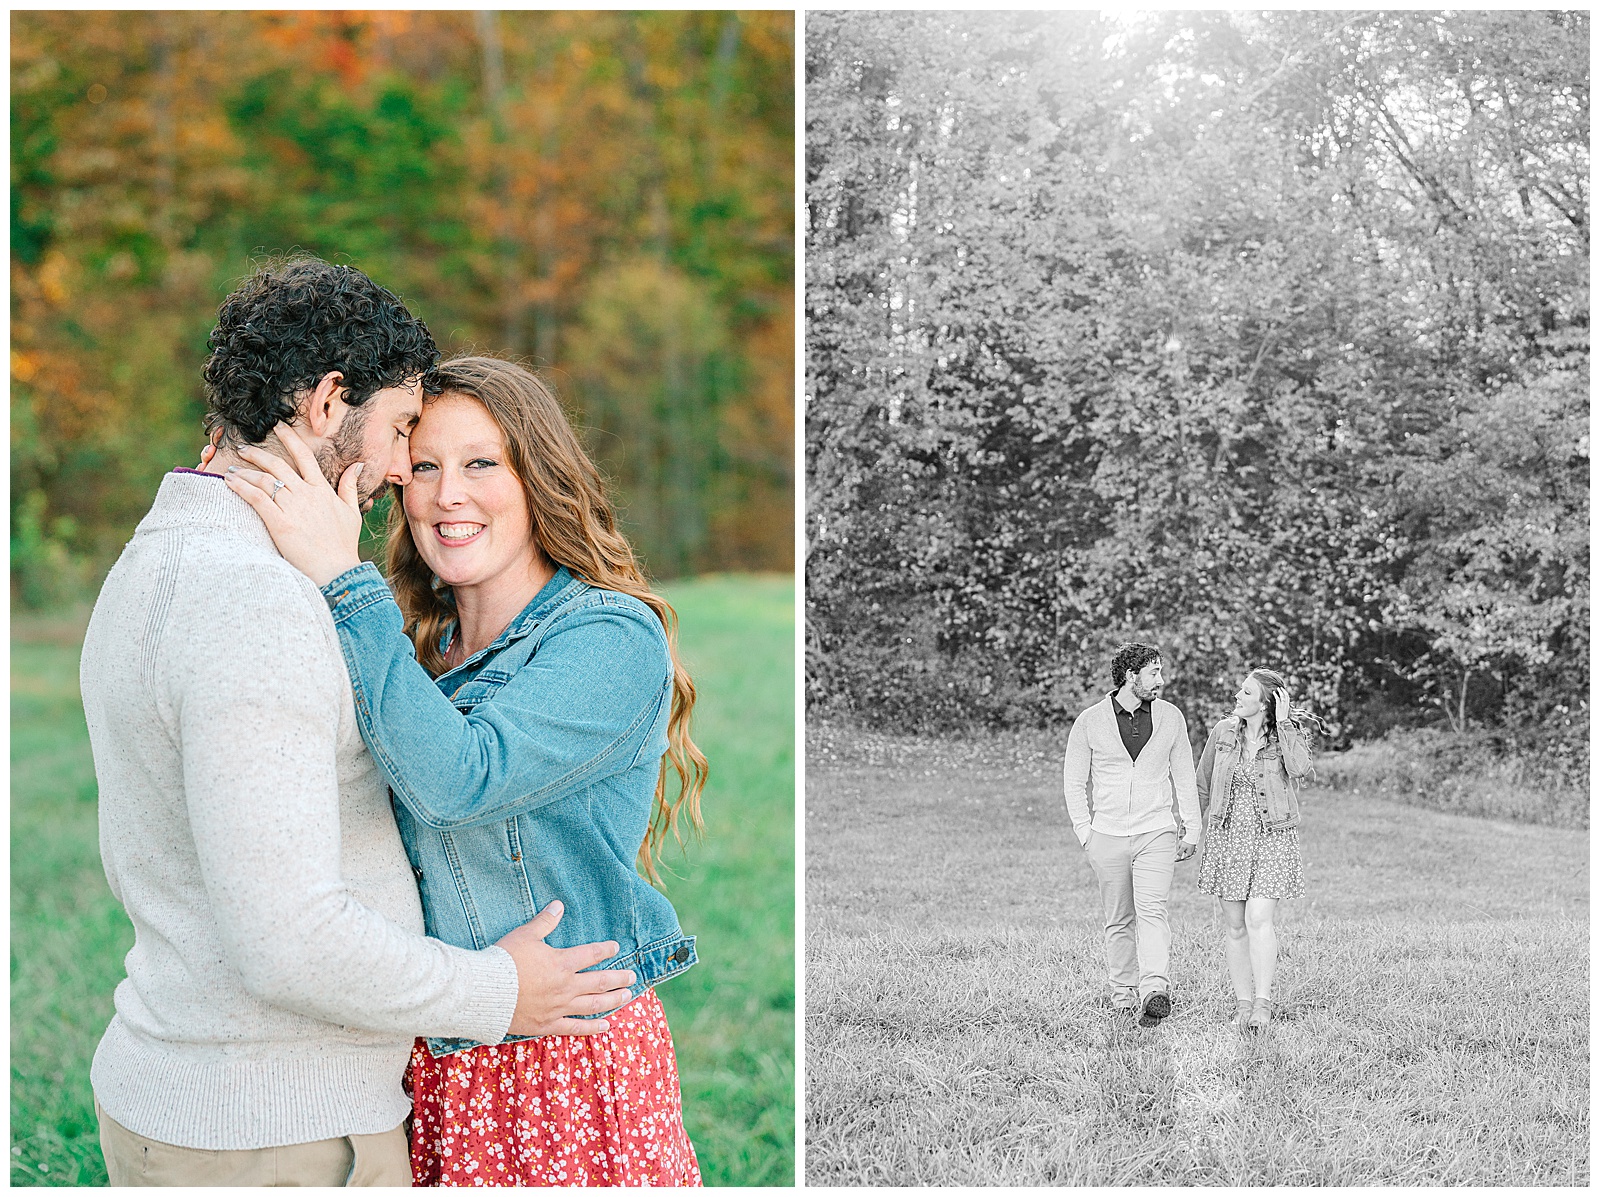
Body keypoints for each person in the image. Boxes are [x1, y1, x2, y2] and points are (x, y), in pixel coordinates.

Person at [80, 258, 635, 1188]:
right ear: (331, 402)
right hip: (275, 1128)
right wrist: (496, 992)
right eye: (401, 436)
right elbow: (287, 938)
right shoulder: (256, 603)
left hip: (206, 1096)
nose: (395, 475)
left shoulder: (157, 557)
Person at [224, 353, 707, 1186]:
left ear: (537, 478)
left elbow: (461, 780)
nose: (448, 495)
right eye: (424, 467)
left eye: (482, 463)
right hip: (436, 1050)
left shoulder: (610, 638)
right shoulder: (415, 648)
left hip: (558, 1060)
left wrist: (343, 577)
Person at [1062, 642, 1202, 1026]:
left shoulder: (1171, 717)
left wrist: (1192, 827)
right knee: (1119, 918)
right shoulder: (1090, 721)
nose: (1161, 680)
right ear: (1131, 676)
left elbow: (1184, 774)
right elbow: (1074, 782)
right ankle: (1123, 995)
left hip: (1156, 830)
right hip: (1106, 834)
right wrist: (1085, 833)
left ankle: (1154, 989)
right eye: (1154, 672)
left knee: (1152, 910)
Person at [1195, 668, 1320, 1033]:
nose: (1237, 695)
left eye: (1246, 692)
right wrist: (1190, 830)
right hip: (1229, 837)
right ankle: (1243, 1002)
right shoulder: (1223, 733)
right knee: (1235, 926)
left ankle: (1263, 1002)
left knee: (1258, 919)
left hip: (1271, 838)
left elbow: (1300, 769)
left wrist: (1283, 725)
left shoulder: (1285, 736)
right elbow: (1202, 782)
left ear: (1266, 703)